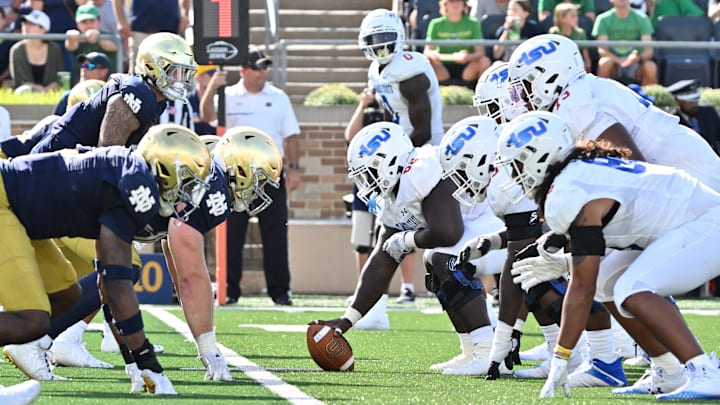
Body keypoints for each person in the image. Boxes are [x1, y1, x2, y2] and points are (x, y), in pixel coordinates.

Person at [496, 110, 720, 400]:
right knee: (606, 280)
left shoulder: (569, 189)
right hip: (690, 223)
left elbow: (580, 286)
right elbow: (595, 266)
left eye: (516, 165)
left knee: (633, 288)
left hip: (705, 224)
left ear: (538, 157)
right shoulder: (579, 172)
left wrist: (561, 357)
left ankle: (705, 371)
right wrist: (565, 262)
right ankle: (668, 370)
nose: (514, 175)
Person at [1, 126, 214, 395]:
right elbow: (116, 283)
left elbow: (105, 285)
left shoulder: (126, 171)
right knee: (32, 320)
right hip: (5, 200)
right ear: (164, 170)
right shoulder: (137, 184)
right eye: (188, 181)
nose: (188, 194)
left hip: (22, 215)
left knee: (66, 296)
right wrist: (148, 361)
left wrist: (133, 361)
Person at [312, 121, 503, 376]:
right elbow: (382, 261)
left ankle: (486, 351)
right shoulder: (395, 193)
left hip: (497, 223)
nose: (366, 182)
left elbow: (449, 232)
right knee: (436, 264)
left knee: (443, 260)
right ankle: (470, 350)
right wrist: (348, 320)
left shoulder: (421, 170)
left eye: (369, 173)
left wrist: (408, 240)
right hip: (475, 227)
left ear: (389, 161)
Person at [200, 45, 300, 306]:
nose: (262, 72)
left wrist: (295, 168)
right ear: (243, 70)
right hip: (235, 175)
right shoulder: (228, 94)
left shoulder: (278, 97)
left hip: (270, 175)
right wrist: (213, 86)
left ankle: (280, 291)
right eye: (257, 68)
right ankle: (229, 289)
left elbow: (291, 135)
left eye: (265, 67)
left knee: (276, 235)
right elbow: (208, 115)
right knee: (231, 234)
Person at [343, 89, 418, 325]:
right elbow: (350, 136)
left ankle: (407, 286)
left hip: (391, 183)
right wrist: (363, 103)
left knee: (402, 235)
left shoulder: (395, 115)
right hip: (367, 185)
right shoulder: (366, 113)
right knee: (363, 240)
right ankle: (364, 293)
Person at [358, 8, 445, 147]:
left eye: (386, 38)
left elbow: (423, 132)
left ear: (399, 36)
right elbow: (390, 109)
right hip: (401, 145)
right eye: (375, 39)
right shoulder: (375, 70)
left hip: (426, 152)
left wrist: (395, 154)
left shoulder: (409, 72)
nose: (381, 45)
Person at [423, 0, 492, 86]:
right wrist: (435, 55)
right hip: (442, 68)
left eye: (459, 1)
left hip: (467, 69)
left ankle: (483, 93)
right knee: (426, 61)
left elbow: (481, 52)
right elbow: (427, 51)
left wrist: (468, 57)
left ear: (464, 5)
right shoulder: (435, 23)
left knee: (484, 61)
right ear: (445, 5)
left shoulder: (473, 23)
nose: (455, 4)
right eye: (452, 1)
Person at [112, 0, 190, 72]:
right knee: (137, 74)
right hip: (140, 29)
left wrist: (185, 13)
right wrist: (121, 21)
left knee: (169, 74)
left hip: (169, 30)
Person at [592, 0, 658, 85]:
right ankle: (602, 95)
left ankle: (646, 96)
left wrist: (637, 58)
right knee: (604, 63)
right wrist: (619, 60)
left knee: (650, 66)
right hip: (614, 64)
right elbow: (602, 50)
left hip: (637, 64)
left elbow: (649, 51)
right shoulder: (602, 19)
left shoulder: (642, 18)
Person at [9, 9, 64, 92]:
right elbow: (19, 82)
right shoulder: (16, 50)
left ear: (43, 29)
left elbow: (60, 79)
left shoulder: (55, 49)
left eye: (31, 24)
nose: (25, 27)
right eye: (24, 23)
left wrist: (46, 90)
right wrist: (40, 90)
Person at [64, 3, 118, 80]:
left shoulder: (109, 37)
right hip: (83, 85)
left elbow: (115, 47)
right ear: (78, 24)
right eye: (84, 22)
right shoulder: (76, 37)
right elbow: (70, 47)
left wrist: (98, 38)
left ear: (99, 21)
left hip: (108, 84)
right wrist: (70, 38)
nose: (89, 25)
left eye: (92, 21)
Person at [666, 79, 720, 155]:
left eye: (696, 99)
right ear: (678, 101)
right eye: (690, 101)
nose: (695, 104)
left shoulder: (709, 112)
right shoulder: (672, 121)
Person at [548, 3, 592, 72]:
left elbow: (585, 53)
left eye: (576, 16)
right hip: (559, 66)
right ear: (562, 18)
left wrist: (587, 63)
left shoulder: (580, 33)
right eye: (572, 16)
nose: (576, 18)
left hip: (577, 66)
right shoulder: (554, 32)